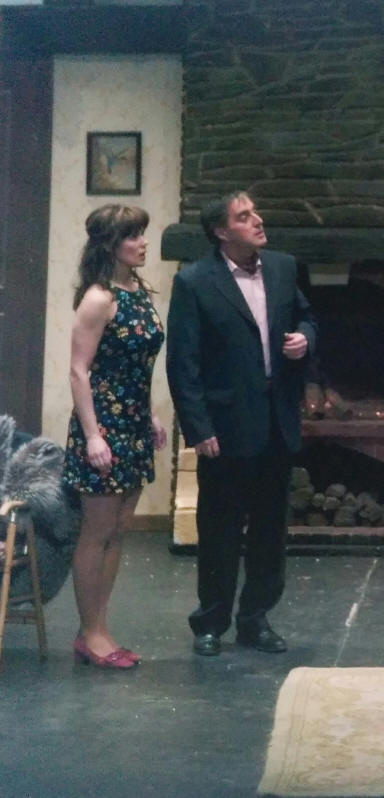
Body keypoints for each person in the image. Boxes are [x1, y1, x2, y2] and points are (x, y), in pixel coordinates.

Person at [166, 191, 318, 657]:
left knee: (271, 530)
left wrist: (304, 339)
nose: (258, 219)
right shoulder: (194, 281)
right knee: (220, 529)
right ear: (221, 231)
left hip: (276, 421)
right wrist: (198, 428)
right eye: (244, 216)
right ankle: (211, 622)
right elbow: (183, 363)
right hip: (226, 426)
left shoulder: (283, 267)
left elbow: (307, 317)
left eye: (255, 211)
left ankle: (256, 619)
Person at [63, 204, 166, 669]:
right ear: (110, 244)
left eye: (142, 234)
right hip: (102, 427)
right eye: (133, 236)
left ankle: (99, 628)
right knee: (98, 531)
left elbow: (134, 366)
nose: (143, 243)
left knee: (118, 531)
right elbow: (79, 371)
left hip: (133, 424)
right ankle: (90, 634)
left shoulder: (137, 291)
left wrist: (151, 415)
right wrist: (92, 436)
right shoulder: (99, 298)